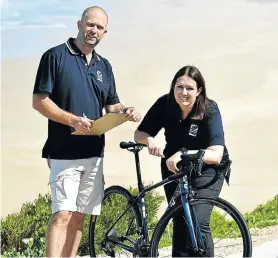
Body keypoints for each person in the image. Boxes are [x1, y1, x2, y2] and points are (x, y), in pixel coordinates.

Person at [32, 6, 141, 257]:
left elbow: (111, 103)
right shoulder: (55, 56)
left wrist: (125, 110)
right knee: (61, 214)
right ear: (79, 25)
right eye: (90, 25)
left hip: (94, 153)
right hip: (62, 152)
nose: (94, 31)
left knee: (79, 217)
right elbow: (40, 101)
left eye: (100, 28)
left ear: (105, 33)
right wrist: (72, 120)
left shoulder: (105, 65)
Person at [134, 65, 230, 257]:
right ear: (173, 87)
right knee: (179, 218)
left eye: (189, 88)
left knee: (198, 219)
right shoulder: (165, 104)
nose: (183, 93)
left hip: (208, 168)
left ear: (199, 90)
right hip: (174, 167)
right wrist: (150, 139)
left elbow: (216, 154)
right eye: (179, 87)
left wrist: (185, 154)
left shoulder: (209, 109)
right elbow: (139, 133)